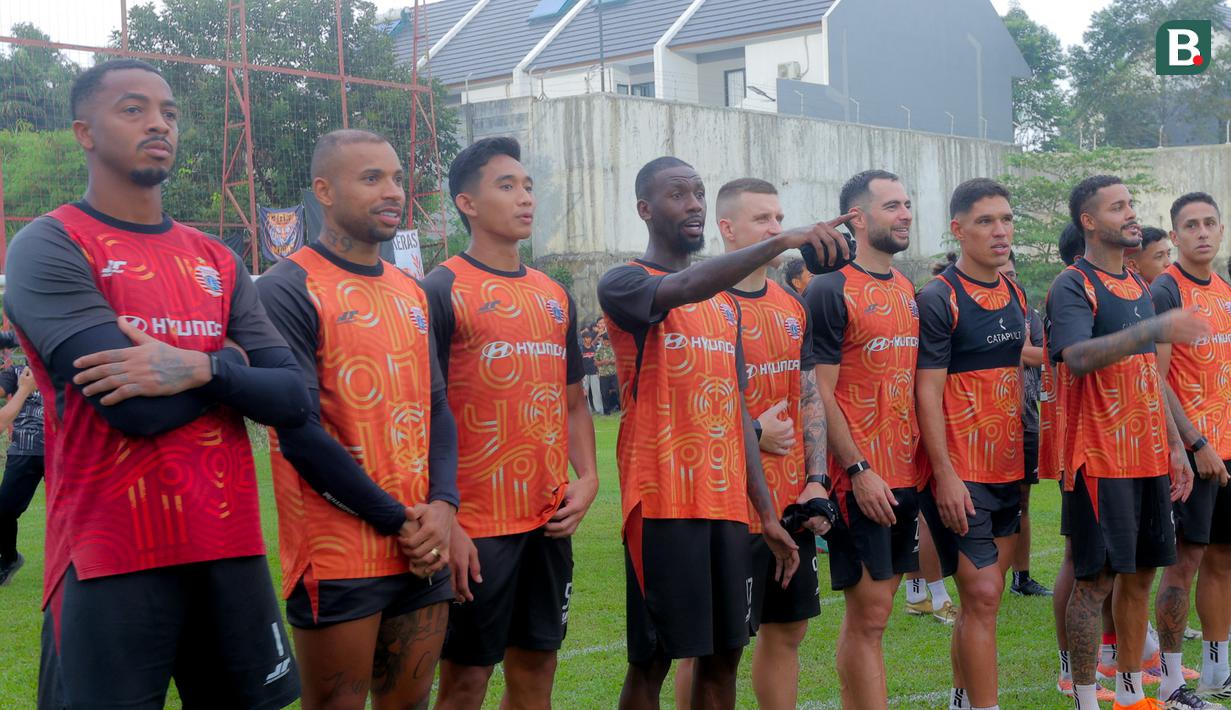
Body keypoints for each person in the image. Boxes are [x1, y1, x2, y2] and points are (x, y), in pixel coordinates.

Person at [4, 58, 308, 709]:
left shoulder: (216, 258)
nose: (159, 123)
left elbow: (294, 397)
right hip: (109, 553)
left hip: (228, 545)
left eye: (168, 111)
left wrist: (200, 368)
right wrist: (234, 369)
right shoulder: (50, 245)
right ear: (85, 132)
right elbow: (129, 411)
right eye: (134, 108)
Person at [598, 155, 850, 710]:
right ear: (645, 209)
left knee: (723, 661)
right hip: (663, 504)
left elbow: (737, 413)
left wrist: (764, 512)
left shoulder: (723, 306)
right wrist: (783, 240)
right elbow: (682, 286)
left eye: (697, 192)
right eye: (676, 195)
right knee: (653, 663)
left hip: (729, 507)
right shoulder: (624, 281)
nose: (691, 203)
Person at [258, 129, 458, 709]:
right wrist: (398, 519)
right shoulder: (287, 288)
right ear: (323, 189)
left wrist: (443, 507)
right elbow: (299, 434)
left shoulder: (412, 291)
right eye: (371, 178)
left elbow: (437, 407)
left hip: (422, 541)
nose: (392, 190)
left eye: (396, 177)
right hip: (340, 550)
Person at [422, 136, 599, 709]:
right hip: (475, 525)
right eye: (507, 186)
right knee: (466, 680)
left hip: (547, 520)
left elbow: (573, 400)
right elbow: (423, 411)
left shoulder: (553, 294)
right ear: (466, 203)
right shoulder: (439, 289)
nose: (525, 197)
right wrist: (447, 520)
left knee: (537, 669)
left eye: (527, 186)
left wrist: (589, 476)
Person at [672, 178, 835, 710]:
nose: (778, 229)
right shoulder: (699, 301)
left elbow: (808, 392)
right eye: (764, 219)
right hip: (724, 506)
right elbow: (683, 399)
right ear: (727, 228)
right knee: (710, 648)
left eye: (779, 217)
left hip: (787, 501)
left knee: (787, 632)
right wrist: (752, 432)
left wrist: (815, 479)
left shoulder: (792, 303)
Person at [1048, 174, 1205, 710]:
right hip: (1098, 458)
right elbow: (1078, 356)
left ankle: (1133, 695)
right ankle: (1087, 698)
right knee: (1095, 582)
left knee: (1141, 577)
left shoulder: (1137, 284)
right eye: (1118, 207)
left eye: (1131, 203)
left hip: (1146, 459)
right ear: (1089, 222)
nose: (1131, 213)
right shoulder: (1074, 284)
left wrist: (1177, 447)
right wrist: (1154, 328)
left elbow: (1148, 376)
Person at [803, 169, 922, 709]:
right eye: (892, 206)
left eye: (907, 204)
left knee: (882, 612)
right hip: (862, 479)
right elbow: (820, 393)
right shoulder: (830, 289)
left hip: (905, 473)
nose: (904, 215)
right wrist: (856, 470)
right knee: (869, 615)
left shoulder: (906, 288)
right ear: (857, 218)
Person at [916, 179, 1028, 710]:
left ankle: (962, 700)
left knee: (983, 601)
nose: (1000, 231)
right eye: (986, 221)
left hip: (1009, 468)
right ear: (958, 230)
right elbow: (927, 391)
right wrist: (944, 474)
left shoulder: (1014, 292)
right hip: (962, 473)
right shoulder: (939, 297)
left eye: (1005, 219)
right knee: (982, 596)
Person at [1149, 192, 1231, 706]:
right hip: (1191, 452)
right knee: (1185, 560)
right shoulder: (1164, 290)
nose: (1202, 232)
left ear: (1221, 230)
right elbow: (1154, 380)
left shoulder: (1226, 290)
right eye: (1190, 225)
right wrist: (1193, 442)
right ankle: (1174, 680)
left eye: (1210, 223)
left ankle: (1216, 672)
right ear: (1174, 236)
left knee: (1224, 558)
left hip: (1228, 447)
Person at [998, 251, 1053, 597]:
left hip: (1026, 416)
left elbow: (1039, 353)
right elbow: (1026, 351)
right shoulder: (977, 309)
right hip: (985, 422)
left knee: (1023, 502)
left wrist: (1023, 348)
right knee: (987, 502)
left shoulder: (1028, 313)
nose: (1010, 279)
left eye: (1013, 273)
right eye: (1004, 274)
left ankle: (1022, 577)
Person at [0, 361, 43, 586]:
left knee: (72, 511)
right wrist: (24, 388)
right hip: (24, 450)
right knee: (3, 509)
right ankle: (9, 559)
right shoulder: (16, 371)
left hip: (63, 450)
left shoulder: (66, 363)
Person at [581, 326, 604, 414]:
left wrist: (598, 371)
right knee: (585, 394)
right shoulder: (581, 349)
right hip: (584, 374)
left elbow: (597, 361)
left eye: (590, 337)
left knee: (596, 392)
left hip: (594, 373)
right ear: (583, 339)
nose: (589, 339)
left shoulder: (594, 348)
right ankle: (586, 411)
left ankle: (599, 410)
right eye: (587, 338)